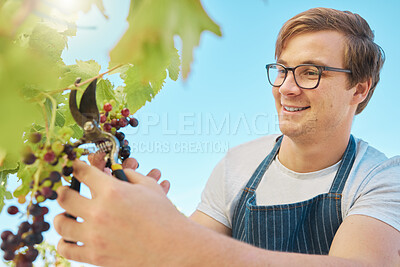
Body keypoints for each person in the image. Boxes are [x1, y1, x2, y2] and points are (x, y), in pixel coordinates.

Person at [53, 7, 400, 266]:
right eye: (281, 70)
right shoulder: (238, 165)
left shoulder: (382, 179)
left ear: (359, 88)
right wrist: (146, 216)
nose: (286, 88)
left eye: (311, 72)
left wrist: (171, 238)